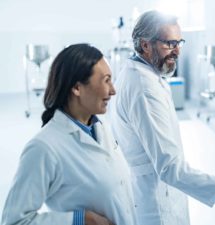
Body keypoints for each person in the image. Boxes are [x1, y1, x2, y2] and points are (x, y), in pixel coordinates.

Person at [108, 10, 215, 225]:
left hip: (150, 193)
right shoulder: (144, 88)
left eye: (179, 42)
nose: (177, 51)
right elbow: (170, 167)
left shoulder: (142, 75)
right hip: (156, 204)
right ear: (145, 45)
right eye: (170, 43)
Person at [1, 44, 136, 225]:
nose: (113, 90)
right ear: (77, 88)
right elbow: (15, 220)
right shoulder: (43, 148)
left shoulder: (99, 128)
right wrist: (79, 220)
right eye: (106, 80)